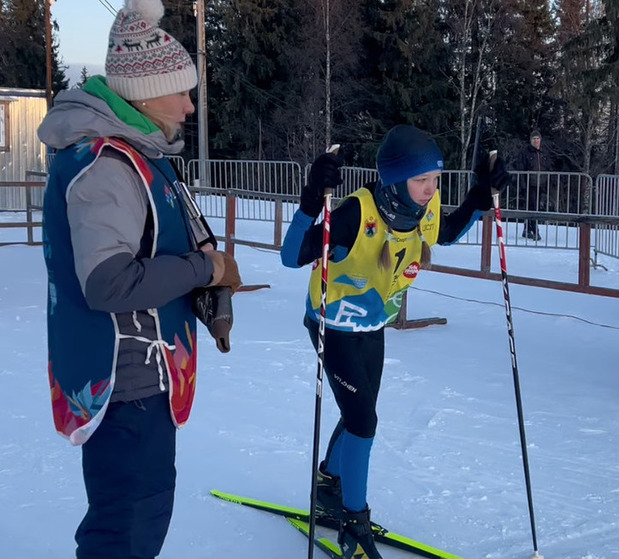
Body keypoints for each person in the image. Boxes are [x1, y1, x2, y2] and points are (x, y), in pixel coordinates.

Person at [38, 1, 242, 557]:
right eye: (181, 91)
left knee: (140, 522)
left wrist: (204, 269)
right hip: (124, 385)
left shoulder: (144, 154)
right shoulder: (107, 165)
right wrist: (205, 268)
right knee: (125, 532)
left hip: (149, 377)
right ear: (145, 94)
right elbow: (107, 284)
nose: (191, 105)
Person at [281, 125, 509, 559]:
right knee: (364, 421)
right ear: (395, 179)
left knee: (360, 412)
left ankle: (329, 485)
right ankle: (353, 520)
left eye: (435, 180)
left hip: (373, 325)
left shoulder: (423, 207)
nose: (430, 189)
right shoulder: (355, 212)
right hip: (333, 325)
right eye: (421, 180)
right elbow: (292, 256)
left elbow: (443, 233)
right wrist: (312, 198)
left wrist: (481, 196)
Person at [510, 129, 551, 240]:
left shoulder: (544, 153)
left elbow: (547, 168)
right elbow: (521, 169)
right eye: (534, 139)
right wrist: (523, 185)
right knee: (531, 207)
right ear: (530, 140)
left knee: (535, 207)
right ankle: (534, 229)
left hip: (540, 184)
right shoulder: (525, 153)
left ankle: (527, 229)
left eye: (538, 139)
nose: (536, 141)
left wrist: (547, 183)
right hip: (529, 184)